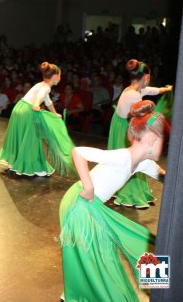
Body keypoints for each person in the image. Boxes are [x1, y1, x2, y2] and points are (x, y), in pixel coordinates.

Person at [59, 100, 168, 301]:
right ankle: (79, 294)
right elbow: (78, 152)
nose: (164, 144)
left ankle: (161, 288)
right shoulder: (122, 157)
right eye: (163, 138)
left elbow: (164, 176)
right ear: (152, 138)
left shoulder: (142, 163)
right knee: (97, 259)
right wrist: (89, 186)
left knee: (141, 242)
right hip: (80, 204)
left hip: (92, 206)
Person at [108, 59, 172, 208]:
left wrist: (165, 89)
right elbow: (139, 116)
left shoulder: (134, 89)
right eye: (149, 78)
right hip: (123, 128)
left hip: (120, 123)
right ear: (145, 78)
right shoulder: (134, 95)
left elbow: (152, 90)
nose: (149, 81)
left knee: (131, 159)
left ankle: (121, 186)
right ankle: (129, 193)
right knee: (132, 160)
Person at [0, 62, 76, 177]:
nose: (60, 78)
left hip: (19, 108)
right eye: (60, 75)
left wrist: (55, 113)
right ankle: (32, 166)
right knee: (31, 139)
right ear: (54, 77)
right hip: (28, 111)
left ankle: (15, 162)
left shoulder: (41, 84)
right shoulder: (45, 87)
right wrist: (36, 104)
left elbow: (48, 101)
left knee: (21, 137)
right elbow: (39, 97)